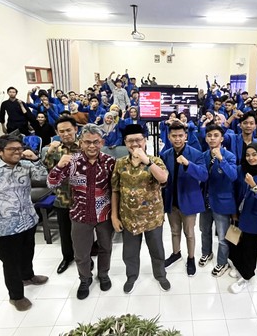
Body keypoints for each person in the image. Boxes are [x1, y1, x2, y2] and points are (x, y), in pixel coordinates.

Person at [0, 134, 49, 312]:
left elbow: (45, 177)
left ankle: (28, 276)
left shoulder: (25, 166)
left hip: (28, 220)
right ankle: (16, 296)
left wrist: (36, 159)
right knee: (10, 262)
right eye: (12, 149)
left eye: (20, 149)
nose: (18, 152)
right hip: (4, 225)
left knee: (27, 253)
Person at [47, 124, 116, 300]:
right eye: (87, 142)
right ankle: (85, 279)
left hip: (104, 214)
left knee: (105, 248)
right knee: (81, 252)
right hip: (79, 214)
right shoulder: (72, 162)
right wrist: (58, 167)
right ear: (81, 142)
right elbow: (52, 183)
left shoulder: (110, 162)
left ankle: (103, 274)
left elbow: (116, 189)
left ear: (102, 142)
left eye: (96, 142)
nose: (92, 146)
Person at [110, 124, 171, 294]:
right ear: (125, 142)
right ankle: (131, 275)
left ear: (145, 141)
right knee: (129, 251)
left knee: (157, 249)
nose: (135, 143)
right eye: (131, 140)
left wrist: (147, 161)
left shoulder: (156, 161)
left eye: (138, 140)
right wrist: (114, 216)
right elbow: (115, 190)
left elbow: (163, 178)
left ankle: (160, 274)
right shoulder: (120, 163)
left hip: (153, 217)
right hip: (129, 217)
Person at [160, 121, 208, 276]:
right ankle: (176, 253)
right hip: (171, 200)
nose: (177, 139)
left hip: (188, 200)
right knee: (174, 231)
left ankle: (191, 258)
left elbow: (204, 175)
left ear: (186, 136)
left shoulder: (196, 153)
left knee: (189, 233)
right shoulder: (165, 154)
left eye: (180, 135)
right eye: (174, 136)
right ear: (169, 137)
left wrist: (188, 164)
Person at [227, 142, 257, 293]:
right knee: (235, 243)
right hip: (239, 214)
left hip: (254, 216)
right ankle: (239, 268)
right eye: (248, 155)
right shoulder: (242, 169)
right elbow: (234, 189)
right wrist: (233, 212)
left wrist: (254, 186)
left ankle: (246, 276)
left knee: (249, 248)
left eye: (254, 154)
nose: (251, 158)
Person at [199, 124, 238, 277]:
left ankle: (222, 262)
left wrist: (221, 159)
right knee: (204, 230)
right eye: (209, 135)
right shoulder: (203, 155)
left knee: (222, 237)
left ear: (222, 138)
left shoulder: (229, 156)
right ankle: (206, 252)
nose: (212, 138)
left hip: (222, 201)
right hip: (205, 200)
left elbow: (233, 176)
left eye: (216, 135)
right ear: (206, 138)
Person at [43, 117, 80, 274]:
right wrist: (50, 152)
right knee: (65, 232)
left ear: (75, 129)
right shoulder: (55, 150)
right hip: (62, 198)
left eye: (68, 130)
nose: (65, 134)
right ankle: (67, 257)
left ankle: (84, 257)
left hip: (82, 199)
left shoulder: (86, 147)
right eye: (62, 131)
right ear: (57, 133)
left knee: (82, 232)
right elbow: (46, 170)